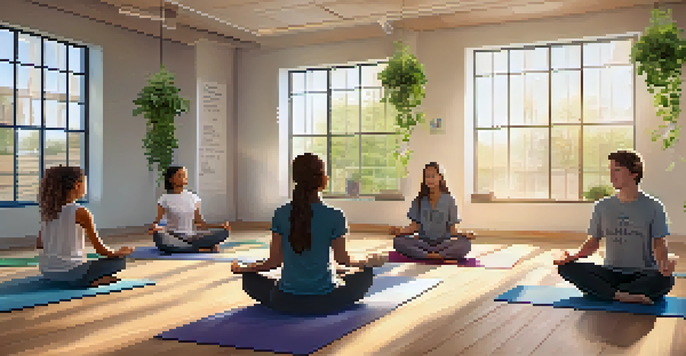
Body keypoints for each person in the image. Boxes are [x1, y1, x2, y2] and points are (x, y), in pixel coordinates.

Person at [231, 153, 386, 315]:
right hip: (326, 300)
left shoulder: (281, 213)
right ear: (321, 180)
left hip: (285, 300)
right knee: (365, 276)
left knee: (249, 280)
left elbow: (273, 262)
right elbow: (343, 260)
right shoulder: (335, 215)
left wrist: (245, 268)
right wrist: (368, 262)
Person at [554, 150, 676, 305]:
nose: (611, 176)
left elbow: (660, 242)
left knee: (666, 280)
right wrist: (574, 256)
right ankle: (623, 295)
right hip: (610, 272)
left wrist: (663, 264)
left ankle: (607, 292)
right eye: (610, 171)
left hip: (642, 273)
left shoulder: (654, 207)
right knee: (566, 268)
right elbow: (593, 242)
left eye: (617, 170)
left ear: (634, 173)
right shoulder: (602, 206)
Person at [37, 165, 135, 287]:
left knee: (82, 267)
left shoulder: (48, 211)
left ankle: (83, 279)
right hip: (72, 272)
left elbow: (40, 243)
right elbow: (100, 250)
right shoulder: (80, 212)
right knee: (119, 262)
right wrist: (120, 252)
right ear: (77, 185)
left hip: (46, 271)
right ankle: (86, 281)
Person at [389, 162, 475, 262]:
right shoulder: (419, 200)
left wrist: (465, 234)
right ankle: (436, 256)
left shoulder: (449, 200)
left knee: (465, 244)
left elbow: (453, 231)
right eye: (427, 177)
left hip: (443, 244)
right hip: (423, 243)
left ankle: (428, 255)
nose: (430, 180)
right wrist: (399, 231)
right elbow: (414, 227)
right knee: (398, 241)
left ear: (440, 177)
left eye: (433, 176)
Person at [149, 166, 231, 253]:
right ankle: (201, 249)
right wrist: (155, 227)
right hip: (173, 236)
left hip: (191, 236)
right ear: (171, 179)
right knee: (159, 237)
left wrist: (220, 226)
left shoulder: (193, 197)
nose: (185, 178)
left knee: (223, 233)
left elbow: (200, 223)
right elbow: (157, 222)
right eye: (180, 175)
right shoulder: (164, 199)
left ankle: (187, 248)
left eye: (185, 175)